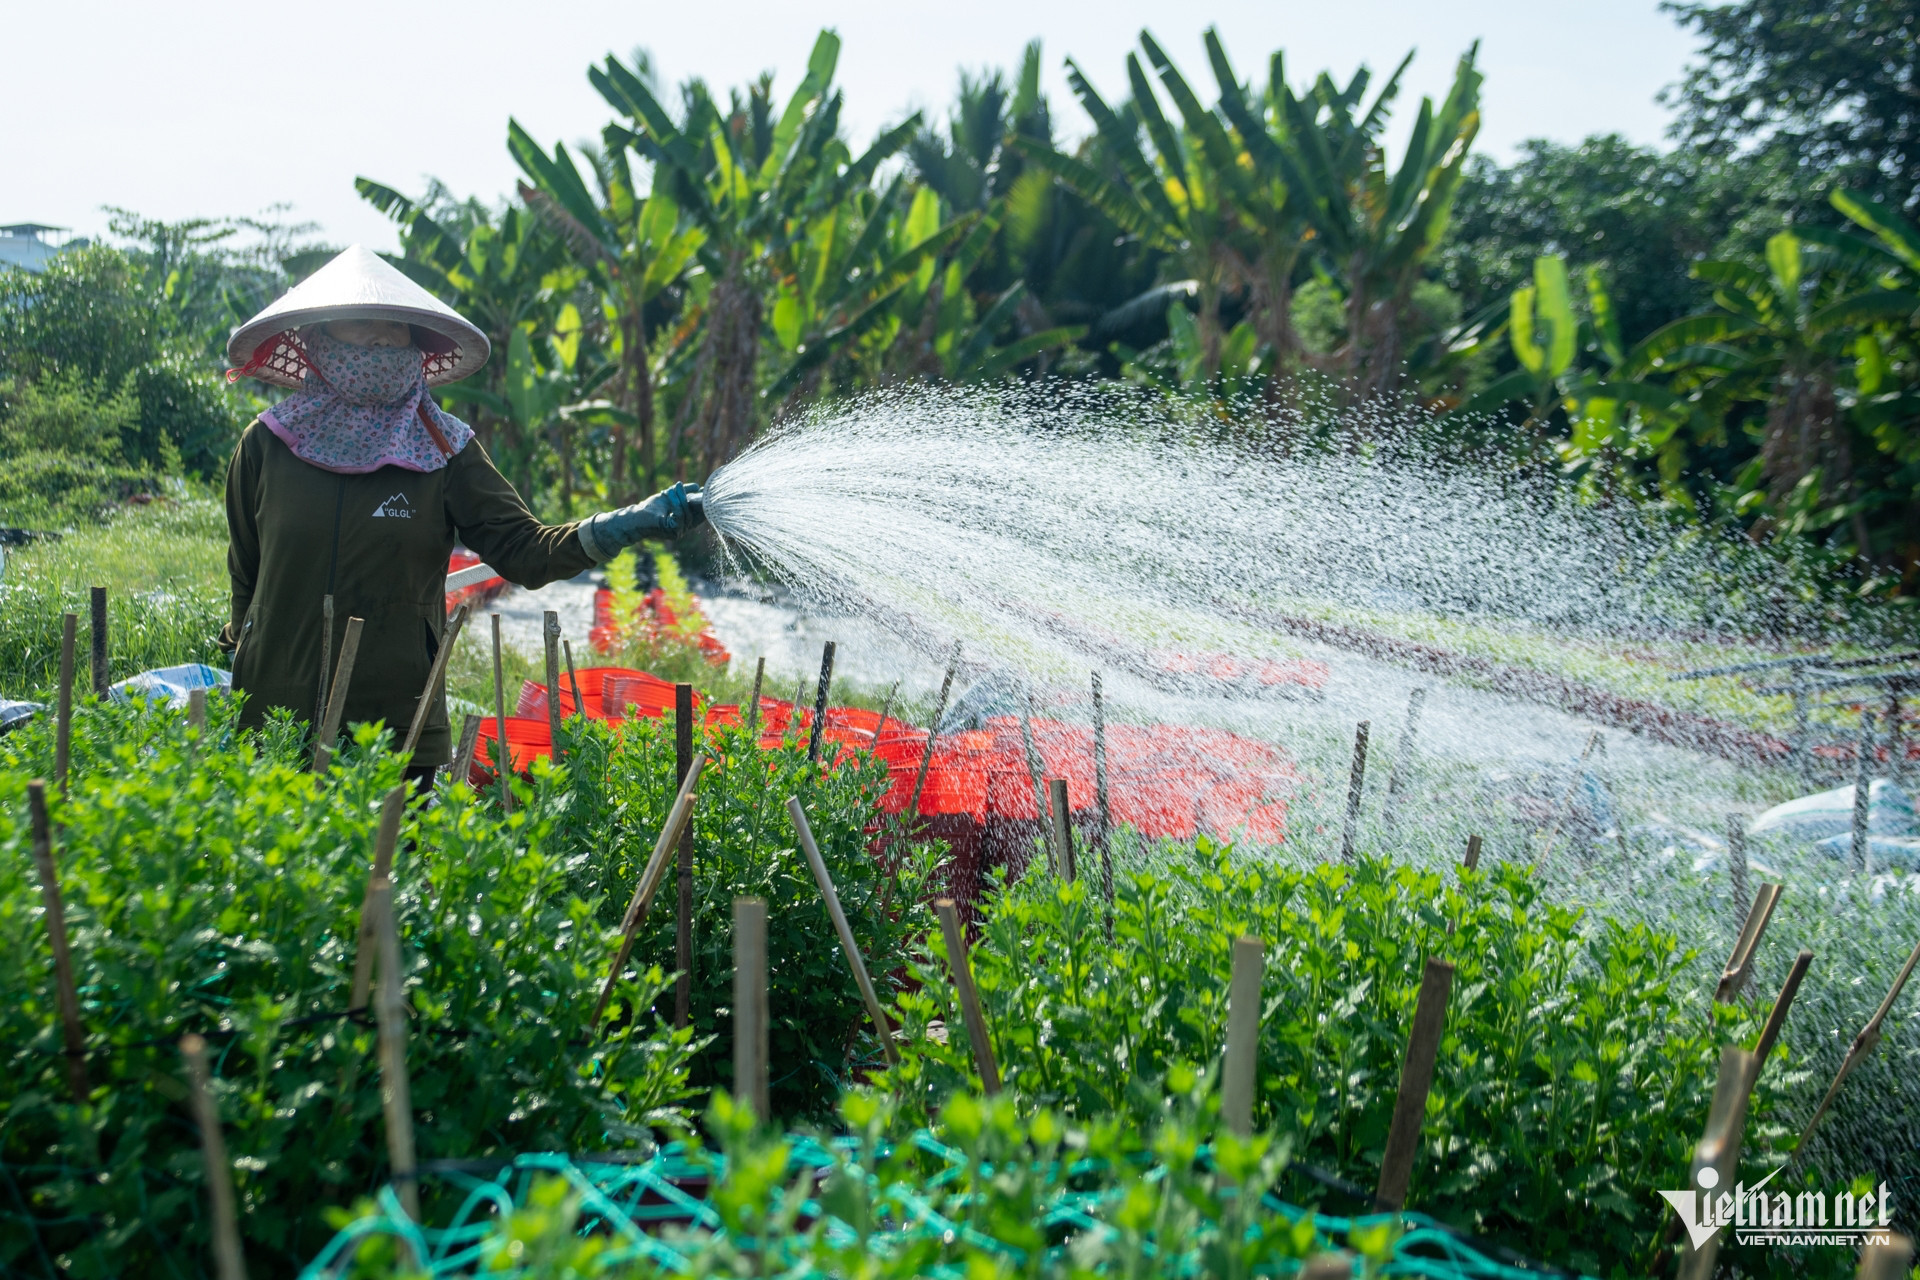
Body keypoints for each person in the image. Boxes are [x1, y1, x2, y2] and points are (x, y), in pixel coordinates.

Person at [221, 245, 700, 783]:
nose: (382, 337)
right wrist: (245, 645)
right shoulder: (268, 445)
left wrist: (625, 523)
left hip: (396, 730)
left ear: (418, 346)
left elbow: (526, 553)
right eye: (363, 322)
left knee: (391, 867)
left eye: (397, 328)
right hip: (275, 720)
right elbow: (247, 573)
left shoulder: (445, 450)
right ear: (319, 339)